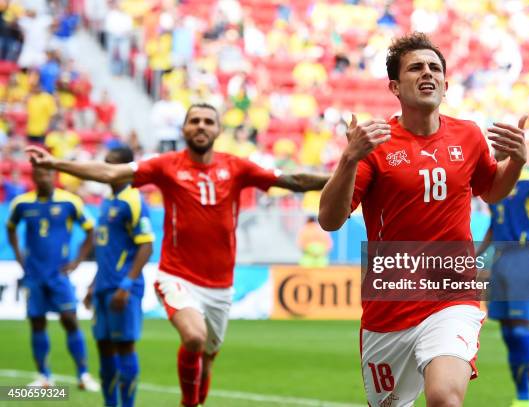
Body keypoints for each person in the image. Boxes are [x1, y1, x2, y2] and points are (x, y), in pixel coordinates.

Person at [26, 102, 329, 407]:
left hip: (221, 286)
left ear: (218, 130)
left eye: (208, 121)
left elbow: (296, 182)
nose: (201, 126)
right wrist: (55, 164)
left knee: (207, 361)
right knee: (194, 338)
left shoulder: (237, 167)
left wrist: (345, 174)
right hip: (177, 276)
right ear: (183, 129)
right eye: (194, 120)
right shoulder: (166, 165)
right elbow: (109, 171)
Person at [318, 32, 528, 407]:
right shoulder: (375, 143)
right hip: (390, 307)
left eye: (434, 68)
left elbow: (492, 190)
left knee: (445, 398)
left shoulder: (469, 135)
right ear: (395, 87)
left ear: (445, 85)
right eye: (416, 67)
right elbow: (330, 220)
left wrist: (517, 162)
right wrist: (349, 158)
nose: (427, 73)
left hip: (453, 295)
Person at [6, 166, 99, 391]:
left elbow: (90, 230)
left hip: (59, 275)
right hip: (34, 276)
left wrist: (77, 261)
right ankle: (44, 377)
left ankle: (83, 375)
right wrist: (20, 258)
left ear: (54, 176)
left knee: (70, 320)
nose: (44, 177)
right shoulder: (21, 203)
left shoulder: (70, 202)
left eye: (48, 174)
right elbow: (10, 228)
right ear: (34, 178)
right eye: (40, 174)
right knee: (37, 323)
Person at [475, 153, 529, 407]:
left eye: (498, 149)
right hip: (500, 259)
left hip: (522, 257)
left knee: (521, 329)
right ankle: (522, 396)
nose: (493, 153)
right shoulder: (494, 186)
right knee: (508, 333)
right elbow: (493, 226)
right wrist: (474, 257)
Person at [82, 146, 153, 407]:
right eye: (105, 162)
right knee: (103, 347)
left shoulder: (134, 200)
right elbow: (107, 251)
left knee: (124, 346)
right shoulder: (107, 202)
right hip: (102, 287)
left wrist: (126, 284)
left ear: (124, 168)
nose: (106, 168)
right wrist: (92, 284)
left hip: (123, 288)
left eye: (111, 163)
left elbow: (146, 246)